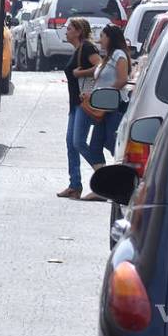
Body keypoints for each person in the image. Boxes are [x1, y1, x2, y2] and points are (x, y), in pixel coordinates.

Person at [60, 17, 102, 200]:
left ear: (78, 31)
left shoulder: (87, 48)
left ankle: (104, 175)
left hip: (84, 103)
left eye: (69, 29)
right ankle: (74, 185)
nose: (66, 32)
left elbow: (100, 67)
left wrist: (80, 73)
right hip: (75, 104)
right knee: (71, 143)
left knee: (78, 142)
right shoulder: (78, 50)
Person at [93, 23, 132, 161]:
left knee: (113, 143)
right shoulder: (108, 56)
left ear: (110, 38)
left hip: (114, 106)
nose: (100, 40)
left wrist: (106, 94)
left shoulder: (118, 55)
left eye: (102, 36)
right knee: (95, 146)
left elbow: (122, 80)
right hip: (102, 107)